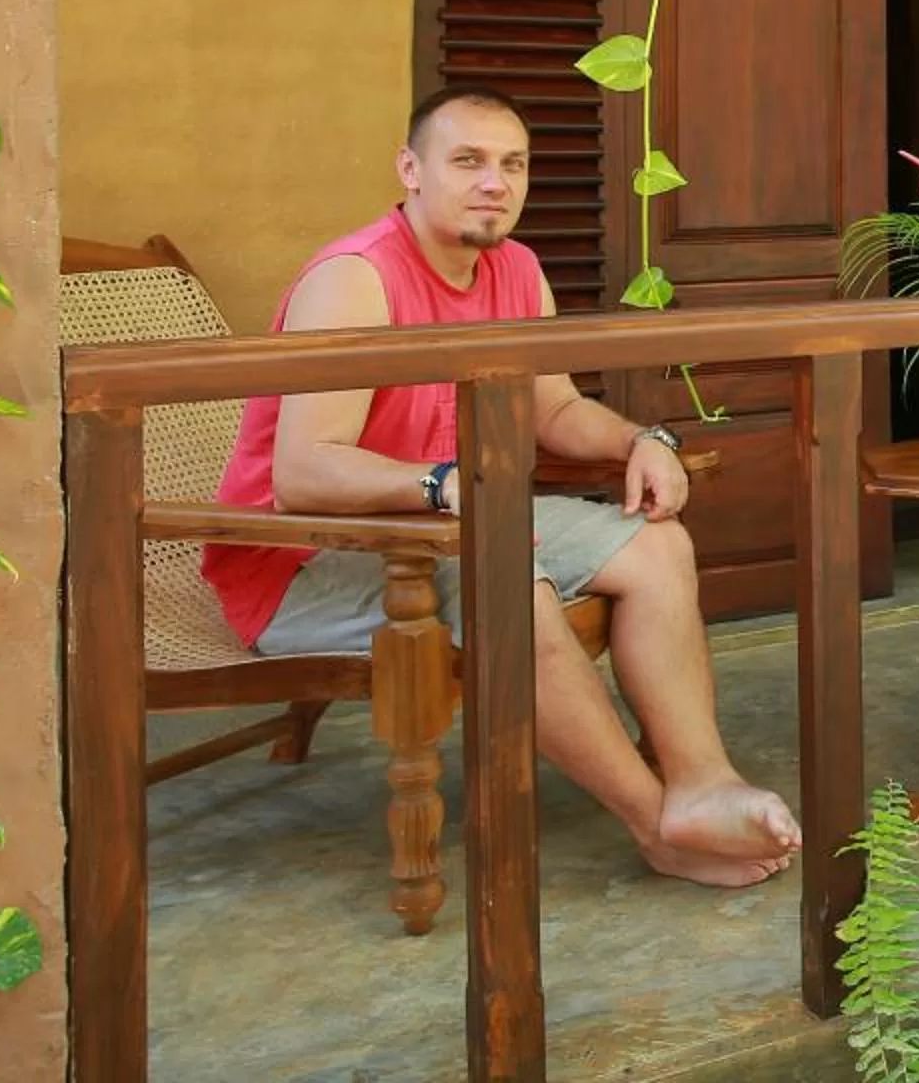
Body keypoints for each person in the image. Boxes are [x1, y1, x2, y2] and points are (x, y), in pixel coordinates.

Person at [203, 86, 799, 887]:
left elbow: (552, 407)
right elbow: (305, 472)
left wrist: (640, 440)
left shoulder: (515, 268)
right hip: (302, 563)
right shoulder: (355, 279)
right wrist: (441, 484)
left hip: (455, 522)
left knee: (656, 545)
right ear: (410, 170)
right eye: (468, 161)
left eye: (513, 165)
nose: (495, 183)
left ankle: (701, 785)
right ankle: (652, 822)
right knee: (509, 578)